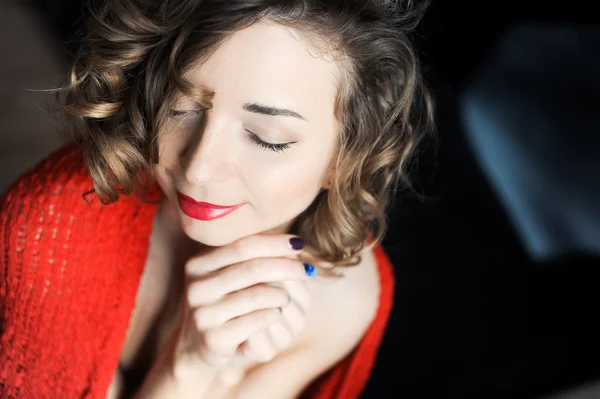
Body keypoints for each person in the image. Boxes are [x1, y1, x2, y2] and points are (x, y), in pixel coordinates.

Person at [0, 0, 433, 397]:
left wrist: (220, 370)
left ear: (346, 157)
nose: (198, 169)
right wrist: (189, 369)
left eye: (268, 139)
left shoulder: (337, 299)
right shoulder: (49, 232)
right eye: (182, 108)